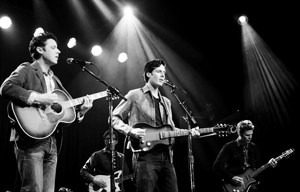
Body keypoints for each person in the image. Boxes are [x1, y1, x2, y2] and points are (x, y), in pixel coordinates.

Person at [0, 31, 93, 192]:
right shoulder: (27, 69)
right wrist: (39, 98)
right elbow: (6, 88)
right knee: (33, 189)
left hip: (52, 143)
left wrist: (82, 112)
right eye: (53, 47)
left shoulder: (55, 80)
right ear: (40, 50)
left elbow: (65, 111)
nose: (59, 51)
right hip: (30, 140)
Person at [111, 59, 200, 192]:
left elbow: (171, 129)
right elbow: (114, 117)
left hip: (167, 156)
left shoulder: (166, 102)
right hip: (145, 156)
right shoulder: (135, 95)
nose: (163, 75)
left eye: (164, 72)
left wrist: (189, 132)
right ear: (148, 74)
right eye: (159, 71)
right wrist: (130, 130)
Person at [213, 120, 277, 192]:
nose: (250, 137)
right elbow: (217, 166)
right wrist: (231, 177)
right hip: (234, 185)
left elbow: (257, 168)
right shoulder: (229, 147)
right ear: (239, 133)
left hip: (251, 185)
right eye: (247, 135)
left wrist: (268, 165)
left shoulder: (254, 147)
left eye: (251, 134)